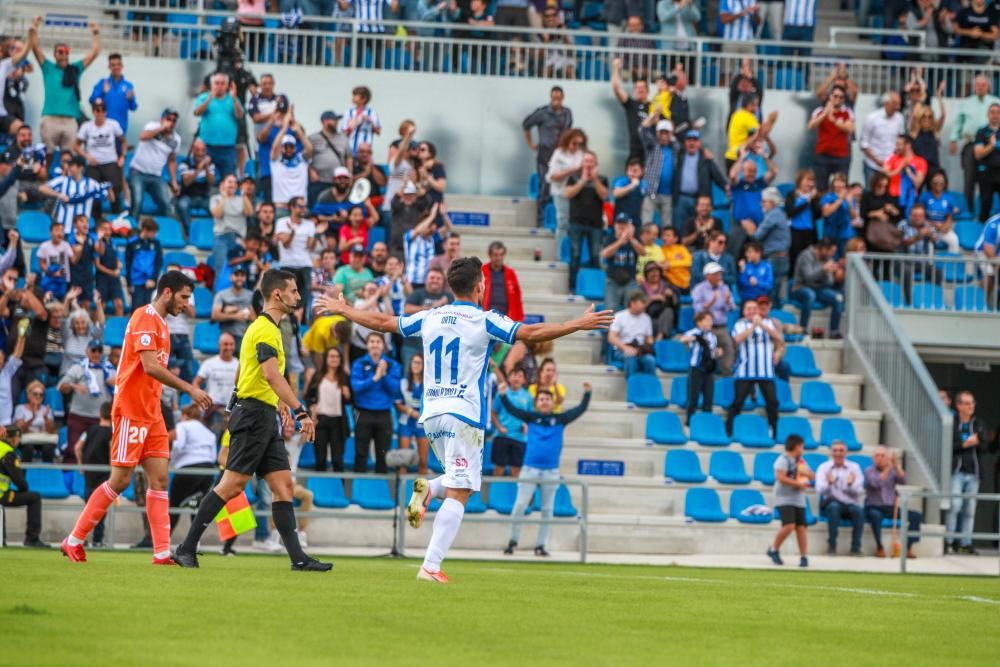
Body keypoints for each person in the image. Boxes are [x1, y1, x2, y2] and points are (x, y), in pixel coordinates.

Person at [316, 256, 613, 583]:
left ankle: (427, 489)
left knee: (463, 482)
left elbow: (383, 322)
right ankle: (430, 565)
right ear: (479, 287)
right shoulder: (485, 320)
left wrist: (345, 310)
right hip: (463, 415)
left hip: (431, 415)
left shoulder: (429, 316)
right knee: (461, 490)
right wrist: (577, 324)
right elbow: (531, 332)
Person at [174, 270, 329, 571]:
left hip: (264, 414)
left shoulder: (270, 329)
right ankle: (185, 547)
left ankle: (298, 559)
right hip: (255, 415)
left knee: (283, 487)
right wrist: (299, 410)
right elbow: (271, 375)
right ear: (277, 295)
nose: (298, 296)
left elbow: (261, 376)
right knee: (232, 484)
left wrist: (281, 403)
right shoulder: (265, 330)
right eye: (294, 291)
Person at [60, 271, 213, 564]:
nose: (186, 303)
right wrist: (190, 389)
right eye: (183, 296)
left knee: (159, 479)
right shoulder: (145, 317)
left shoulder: (164, 326)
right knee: (120, 481)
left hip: (151, 412)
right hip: (131, 410)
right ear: (167, 292)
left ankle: (161, 552)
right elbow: (150, 367)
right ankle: (74, 539)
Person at [499, 381, 591, 557]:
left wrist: (587, 393)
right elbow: (512, 410)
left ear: (552, 402)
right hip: (529, 468)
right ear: (537, 403)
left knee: (547, 510)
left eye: (547, 399)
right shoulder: (531, 417)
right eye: (541, 399)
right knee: (519, 505)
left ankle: (540, 545)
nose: (544, 401)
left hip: (551, 470)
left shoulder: (561, 419)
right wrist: (503, 395)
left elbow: (579, 410)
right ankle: (513, 540)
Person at [27, 17, 101, 162]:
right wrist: (35, 27)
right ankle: (44, 181)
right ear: (55, 54)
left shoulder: (75, 69)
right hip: (50, 118)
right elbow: (35, 47)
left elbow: (94, 53)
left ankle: (65, 182)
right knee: (46, 156)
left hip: (70, 121)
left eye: (67, 52)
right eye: (60, 51)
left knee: (68, 158)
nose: (64, 54)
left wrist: (96, 33)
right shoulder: (48, 68)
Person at [725, 299, 781, 438]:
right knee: (737, 402)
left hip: (765, 371)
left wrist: (761, 324)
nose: (751, 311)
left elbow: (779, 337)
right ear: (744, 311)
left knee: (772, 402)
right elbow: (737, 339)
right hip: (745, 370)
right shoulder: (740, 324)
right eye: (748, 309)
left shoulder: (768, 323)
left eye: (754, 309)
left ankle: (774, 431)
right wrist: (752, 327)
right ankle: (729, 430)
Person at [351, 332, 401, 474]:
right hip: (364, 413)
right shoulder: (359, 364)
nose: (374, 344)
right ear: (367, 345)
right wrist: (375, 377)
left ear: (383, 345)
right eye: (371, 341)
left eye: (378, 342)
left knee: (383, 455)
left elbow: (395, 389)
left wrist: (383, 375)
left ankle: (382, 492)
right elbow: (356, 388)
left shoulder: (392, 365)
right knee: (360, 454)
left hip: (384, 414)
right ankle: (359, 489)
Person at [522, 86, 573, 225]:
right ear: (551, 97)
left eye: (559, 97)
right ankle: (541, 220)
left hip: (562, 156)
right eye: (554, 97)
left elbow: (569, 131)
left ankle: (558, 220)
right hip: (545, 155)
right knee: (545, 187)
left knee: (562, 187)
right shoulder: (542, 113)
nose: (556, 100)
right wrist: (531, 144)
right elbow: (526, 125)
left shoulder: (567, 113)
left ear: (563, 98)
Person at [58, 338, 116, 459]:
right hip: (79, 416)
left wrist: (116, 383)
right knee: (73, 450)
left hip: (100, 419)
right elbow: (61, 387)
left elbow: (121, 387)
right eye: (93, 350)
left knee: (98, 452)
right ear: (87, 351)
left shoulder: (109, 369)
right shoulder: (78, 368)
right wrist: (73, 385)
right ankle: (71, 477)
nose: (96, 354)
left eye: (99, 350)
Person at [949, 76, 999, 212]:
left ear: (988, 86)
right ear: (974, 86)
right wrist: (953, 138)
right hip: (971, 143)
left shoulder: (995, 101)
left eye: (983, 84)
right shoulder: (967, 103)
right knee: (969, 178)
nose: (980, 87)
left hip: (994, 144)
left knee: (992, 177)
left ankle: (990, 212)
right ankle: (969, 210)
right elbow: (959, 122)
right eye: (978, 84)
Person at [167, 404, 219, 534]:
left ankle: (163, 541)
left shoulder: (182, 425)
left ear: (185, 415)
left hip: (188, 469)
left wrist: (171, 460)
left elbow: (179, 445)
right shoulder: (209, 432)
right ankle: (193, 544)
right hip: (207, 471)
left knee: (174, 505)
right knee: (197, 508)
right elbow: (213, 456)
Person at [863, 446, 922, 559]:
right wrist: (888, 468)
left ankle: (908, 547)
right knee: (875, 516)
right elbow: (875, 483)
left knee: (916, 516)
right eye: (877, 455)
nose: (879, 458)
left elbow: (903, 481)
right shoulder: (868, 471)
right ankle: (879, 547)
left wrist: (896, 466)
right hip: (874, 506)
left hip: (891, 507)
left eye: (883, 455)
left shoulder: (892, 471)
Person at [946, 390, 986, 555]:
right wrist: (965, 444)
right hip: (957, 471)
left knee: (969, 509)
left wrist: (977, 442)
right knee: (954, 506)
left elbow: (985, 447)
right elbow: (949, 445)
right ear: (958, 405)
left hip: (974, 472)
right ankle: (949, 541)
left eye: (972, 403)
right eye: (967, 403)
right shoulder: (952, 422)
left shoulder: (978, 423)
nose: (971, 406)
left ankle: (965, 542)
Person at [766, 434, 813, 567]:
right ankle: (774, 549)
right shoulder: (782, 460)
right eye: (802, 446)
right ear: (796, 446)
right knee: (789, 525)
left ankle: (804, 556)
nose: (803, 449)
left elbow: (811, 475)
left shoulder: (801, 461)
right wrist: (798, 484)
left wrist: (808, 473)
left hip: (799, 499)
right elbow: (780, 477)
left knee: (801, 528)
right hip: (784, 497)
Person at [75, 97, 126, 217]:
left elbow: (123, 141)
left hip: (110, 162)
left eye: (102, 110)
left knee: (115, 191)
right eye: (97, 110)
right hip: (94, 165)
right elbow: (76, 146)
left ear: (106, 111)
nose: (100, 113)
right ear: (93, 112)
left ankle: (117, 218)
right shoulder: (87, 126)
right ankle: (97, 220)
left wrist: (122, 156)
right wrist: (87, 156)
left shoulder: (113, 124)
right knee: (94, 192)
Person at [566, 151, 609, 291]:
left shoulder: (602, 179)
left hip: (595, 224)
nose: (589, 164)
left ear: (595, 164)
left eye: (591, 161)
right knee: (575, 255)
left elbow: (604, 195)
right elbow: (568, 194)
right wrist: (583, 180)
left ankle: (594, 288)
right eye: (586, 161)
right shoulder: (573, 178)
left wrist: (594, 180)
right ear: (582, 163)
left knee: (596, 256)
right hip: (576, 223)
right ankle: (572, 287)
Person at [0, 426, 48, 548]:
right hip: (1, 495)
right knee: (34, 497)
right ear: (15, 438)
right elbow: (19, 481)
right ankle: (32, 539)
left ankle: (2, 539)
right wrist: (24, 489)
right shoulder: (8, 453)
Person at [129, 108, 181, 218]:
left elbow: (172, 160)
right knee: (137, 203)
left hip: (156, 176)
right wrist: (162, 128)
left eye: (174, 120)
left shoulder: (176, 139)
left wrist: (174, 181)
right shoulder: (152, 126)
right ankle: (132, 231)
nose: (171, 122)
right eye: (168, 119)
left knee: (166, 205)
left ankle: (163, 231)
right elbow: (142, 136)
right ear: (162, 119)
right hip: (138, 172)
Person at [816, 441, 865, 556]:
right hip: (831, 503)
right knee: (834, 507)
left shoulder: (854, 467)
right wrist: (829, 483)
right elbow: (819, 490)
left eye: (841, 450)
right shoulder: (824, 467)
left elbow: (859, 491)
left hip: (850, 504)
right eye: (835, 450)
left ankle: (855, 548)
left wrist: (850, 485)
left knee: (859, 511)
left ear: (846, 453)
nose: (838, 453)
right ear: (831, 453)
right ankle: (831, 546)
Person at [73, 401, 112, 547]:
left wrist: (81, 465)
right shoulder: (111, 433)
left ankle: (80, 538)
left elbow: (77, 447)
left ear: (100, 414)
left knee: (88, 507)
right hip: (104, 473)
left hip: (89, 473)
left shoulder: (89, 430)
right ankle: (97, 539)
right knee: (100, 507)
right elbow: (111, 451)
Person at [743, 186, 790, 304]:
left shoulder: (773, 214)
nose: (761, 204)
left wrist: (750, 230)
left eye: (764, 201)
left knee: (771, 293)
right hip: (780, 256)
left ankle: (772, 317)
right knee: (775, 290)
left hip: (776, 258)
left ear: (772, 202)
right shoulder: (779, 213)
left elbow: (757, 236)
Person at [193, 72, 244, 179]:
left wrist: (234, 99)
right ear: (211, 85)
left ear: (227, 85)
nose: (219, 86)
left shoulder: (233, 99)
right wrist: (209, 99)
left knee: (229, 178)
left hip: (227, 148)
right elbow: (197, 113)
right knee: (206, 178)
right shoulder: (203, 97)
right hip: (207, 147)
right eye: (216, 83)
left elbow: (240, 115)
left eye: (222, 83)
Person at [673, 132, 728, 232]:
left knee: (699, 228)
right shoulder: (679, 155)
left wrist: (726, 187)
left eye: (695, 140)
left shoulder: (706, 158)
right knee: (679, 228)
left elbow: (717, 176)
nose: (691, 143)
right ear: (685, 143)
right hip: (682, 198)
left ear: (699, 143)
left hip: (700, 200)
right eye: (689, 140)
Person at [791, 238, 843, 338]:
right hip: (800, 287)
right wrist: (823, 270)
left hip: (819, 289)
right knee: (810, 295)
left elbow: (829, 283)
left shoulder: (827, 259)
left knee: (838, 298)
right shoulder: (806, 255)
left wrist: (829, 272)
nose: (831, 255)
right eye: (830, 251)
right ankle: (803, 328)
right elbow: (808, 278)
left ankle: (834, 331)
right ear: (823, 249)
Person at [691, 262, 736, 375]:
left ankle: (726, 373)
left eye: (719, 274)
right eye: (715, 274)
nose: (719, 277)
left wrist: (727, 302)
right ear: (707, 276)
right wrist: (711, 301)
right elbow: (698, 309)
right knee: (707, 353)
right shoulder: (699, 289)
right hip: (705, 329)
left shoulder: (724, 287)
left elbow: (732, 308)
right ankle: (706, 377)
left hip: (721, 327)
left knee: (728, 349)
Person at [807, 85, 855, 189]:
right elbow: (810, 126)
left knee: (841, 186)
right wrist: (825, 113)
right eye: (835, 96)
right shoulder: (819, 111)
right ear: (830, 96)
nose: (837, 99)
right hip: (822, 155)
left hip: (841, 156)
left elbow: (850, 129)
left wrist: (833, 119)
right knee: (821, 187)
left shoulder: (847, 112)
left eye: (841, 97)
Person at [547, 129, 587, 250]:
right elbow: (552, 176)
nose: (577, 146)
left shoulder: (583, 154)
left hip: (579, 194)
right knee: (563, 222)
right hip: (561, 193)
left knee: (577, 225)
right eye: (574, 143)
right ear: (568, 141)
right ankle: (561, 252)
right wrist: (572, 170)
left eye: (580, 144)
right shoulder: (559, 154)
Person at [275, 196, 317, 308]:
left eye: (305, 206)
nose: (304, 209)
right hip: (287, 265)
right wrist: (293, 232)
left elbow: (310, 247)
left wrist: (316, 234)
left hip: (305, 265)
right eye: (300, 206)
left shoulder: (310, 224)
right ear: (292, 207)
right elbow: (286, 245)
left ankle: (300, 322)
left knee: (302, 299)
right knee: (286, 298)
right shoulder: (281, 223)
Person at [491, 365, 532, 478]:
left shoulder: (528, 397)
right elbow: (493, 412)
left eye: (520, 376)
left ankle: (515, 496)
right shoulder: (501, 393)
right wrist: (499, 427)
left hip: (519, 437)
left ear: (524, 380)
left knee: (516, 471)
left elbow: (530, 416)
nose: (516, 378)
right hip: (502, 435)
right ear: (509, 378)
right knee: (499, 469)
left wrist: (526, 425)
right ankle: (493, 496)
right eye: (514, 375)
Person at [211, 174, 253, 280]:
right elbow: (217, 214)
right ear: (223, 184)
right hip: (222, 237)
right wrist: (224, 198)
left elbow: (249, 212)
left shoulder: (241, 199)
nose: (232, 184)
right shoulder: (216, 198)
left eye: (235, 182)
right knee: (221, 269)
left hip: (239, 238)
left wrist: (244, 196)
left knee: (240, 271)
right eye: (229, 182)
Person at [679, 311, 719, 423]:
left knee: (708, 397)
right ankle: (690, 422)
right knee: (693, 397)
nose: (710, 322)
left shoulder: (712, 337)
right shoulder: (694, 333)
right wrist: (690, 339)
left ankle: (706, 423)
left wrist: (717, 352)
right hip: (696, 369)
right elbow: (682, 339)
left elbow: (712, 352)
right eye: (707, 320)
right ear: (699, 322)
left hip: (708, 370)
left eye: (711, 320)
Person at [270, 115, 314, 212]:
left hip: (300, 206)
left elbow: (310, 149)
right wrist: (284, 129)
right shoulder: (276, 160)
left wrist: (298, 130)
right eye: (286, 147)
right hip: (281, 207)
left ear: (295, 148)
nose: (288, 149)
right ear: (282, 148)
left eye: (291, 147)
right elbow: (274, 147)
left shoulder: (302, 159)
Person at [638, 117, 676, 227]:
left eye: (667, 133)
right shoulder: (652, 146)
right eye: (661, 133)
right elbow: (642, 130)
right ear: (657, 134)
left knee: (667, 226)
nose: (664, 136)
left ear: (671, 134)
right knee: (647, 223)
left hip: (668, 194)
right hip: (651, 192)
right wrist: (653, 115)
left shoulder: (675, 149)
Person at [308, 110, 351, 206]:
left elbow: (349, 157)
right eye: (334, 120)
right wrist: (311, 171)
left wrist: (349, 174)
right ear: (325, 121)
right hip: (319, 181)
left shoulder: (343, 138)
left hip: (338, 183)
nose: (336, 123)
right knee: (316, 208)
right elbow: (305, 158)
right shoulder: (313, 138)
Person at [610, 58, 650, 162]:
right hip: (635, 150)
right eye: (637, 87)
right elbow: (616, 88)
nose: (640, 90)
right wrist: (616, 68)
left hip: (651, 149)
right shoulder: (631, 104)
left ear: (648, 91)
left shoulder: (653, 106)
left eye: (643, 87)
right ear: (634, 90)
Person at [608, 293, 656, 377]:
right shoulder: (620, 316)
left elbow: (649, 338)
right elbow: (611, 337)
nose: (644, 307)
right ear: (632, 303)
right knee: (631, 359)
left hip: (640, 350)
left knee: (650, 360)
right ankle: (632, 387)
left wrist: (647, 346)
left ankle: (650, 386)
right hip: (622, 349)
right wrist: (625, 348)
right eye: (641, 304)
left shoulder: (646, 318)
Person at [860, 91, 904, 184]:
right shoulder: (872, 118)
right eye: (895, 104)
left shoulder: (900, 118)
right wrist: (877, 161)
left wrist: (892, 161)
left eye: (899, 104)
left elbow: (901, 141)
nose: (898, 107)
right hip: (872, 164)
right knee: (871, 192)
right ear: (886, 103)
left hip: (892, 166)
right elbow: (864, 144)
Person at [396, 354, 429, 474]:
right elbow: (398, 403)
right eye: (414, 362)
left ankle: (424, 492)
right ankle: (401, 492)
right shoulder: (403, 382)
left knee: (423, 461)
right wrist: (410, 411)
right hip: (406, 423)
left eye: (419, 363)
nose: (416, 365)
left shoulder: (429, 384)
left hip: (423, 424)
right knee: (403, 462)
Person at [176, 139, 217, 236]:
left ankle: (215, 232)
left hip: (204, 198)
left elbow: (211, 182)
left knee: (217, 208)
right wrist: (198, 169)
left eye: (203, 150)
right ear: (193, 150)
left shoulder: (210, 164)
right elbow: (186, 182)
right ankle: (189, 232)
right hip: (187, 196)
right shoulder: (184, 163)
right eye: (197, 150)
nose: (200, 153)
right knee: (182, 205)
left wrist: (206, 168)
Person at [88, 53, 137, 135]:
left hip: (121, 128)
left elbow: (133, 107)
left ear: (122, 66)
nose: (116, 67)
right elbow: (92, 100)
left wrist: (130, 99)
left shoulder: (128, 85)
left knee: (120, 147)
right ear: (109, 67)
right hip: (104, 128)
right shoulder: (103, 83)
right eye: (113, 65)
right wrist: (103, 92)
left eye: (118, 64)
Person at [785, 169, 822, 272]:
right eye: (807, 180)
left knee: (809, 260)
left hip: (809, 233)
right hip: (795, 232)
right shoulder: (791, 195)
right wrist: (806, 201)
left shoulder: (813, 197)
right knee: (795, 260)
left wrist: (814, 200)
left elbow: (818, 214)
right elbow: (790, 212)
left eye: (812, 181)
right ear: (800, 181)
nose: (810, 183)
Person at [125, 217, 163, 310]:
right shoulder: (132, 243)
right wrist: (129, 283)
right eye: (153, 232)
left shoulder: (156, 244)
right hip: (136, 282)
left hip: (150, 282)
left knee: (150, 311)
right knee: (137, 311)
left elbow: (158, 263)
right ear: (145, 230)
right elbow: (128, 264)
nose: (154, 235)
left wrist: (153, 279)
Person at [482, 241, 524, 321]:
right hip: (486, 316)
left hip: (507, 317)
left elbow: (517, 298)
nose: (499, 258)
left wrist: (520, 318)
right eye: (496, 255)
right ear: (489, 255)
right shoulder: (482, 271)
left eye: (501, 255)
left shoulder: (511, 273)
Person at [973, 103, 1000, 224]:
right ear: (988, 115)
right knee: (985, 205)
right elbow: (978, 154)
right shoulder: (981, 132)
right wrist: (991, 145)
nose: (995, 115)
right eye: (992, 112)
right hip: (986, 175)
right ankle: (983, 236)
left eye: (998, 112)